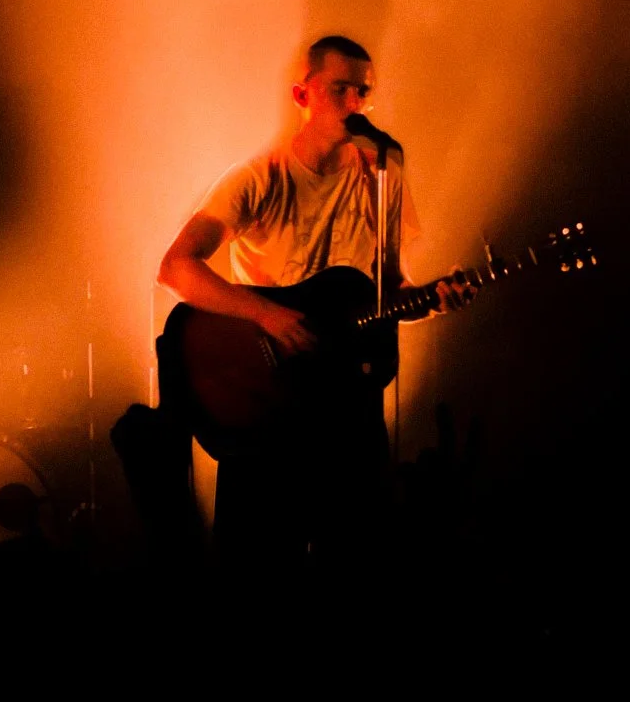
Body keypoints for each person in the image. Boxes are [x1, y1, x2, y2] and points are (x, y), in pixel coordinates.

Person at [157, 34, 474, 578]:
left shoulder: (382, 175)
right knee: (256, 563)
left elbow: (390, 291)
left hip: (345, 396)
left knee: (357, 561)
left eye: (363, 92)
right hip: (265, 392)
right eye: (339, 89)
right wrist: (265, 315)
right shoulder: (257, 178)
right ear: (302, 94)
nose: (354, 103)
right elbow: (176, 267)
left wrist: (434, 300)